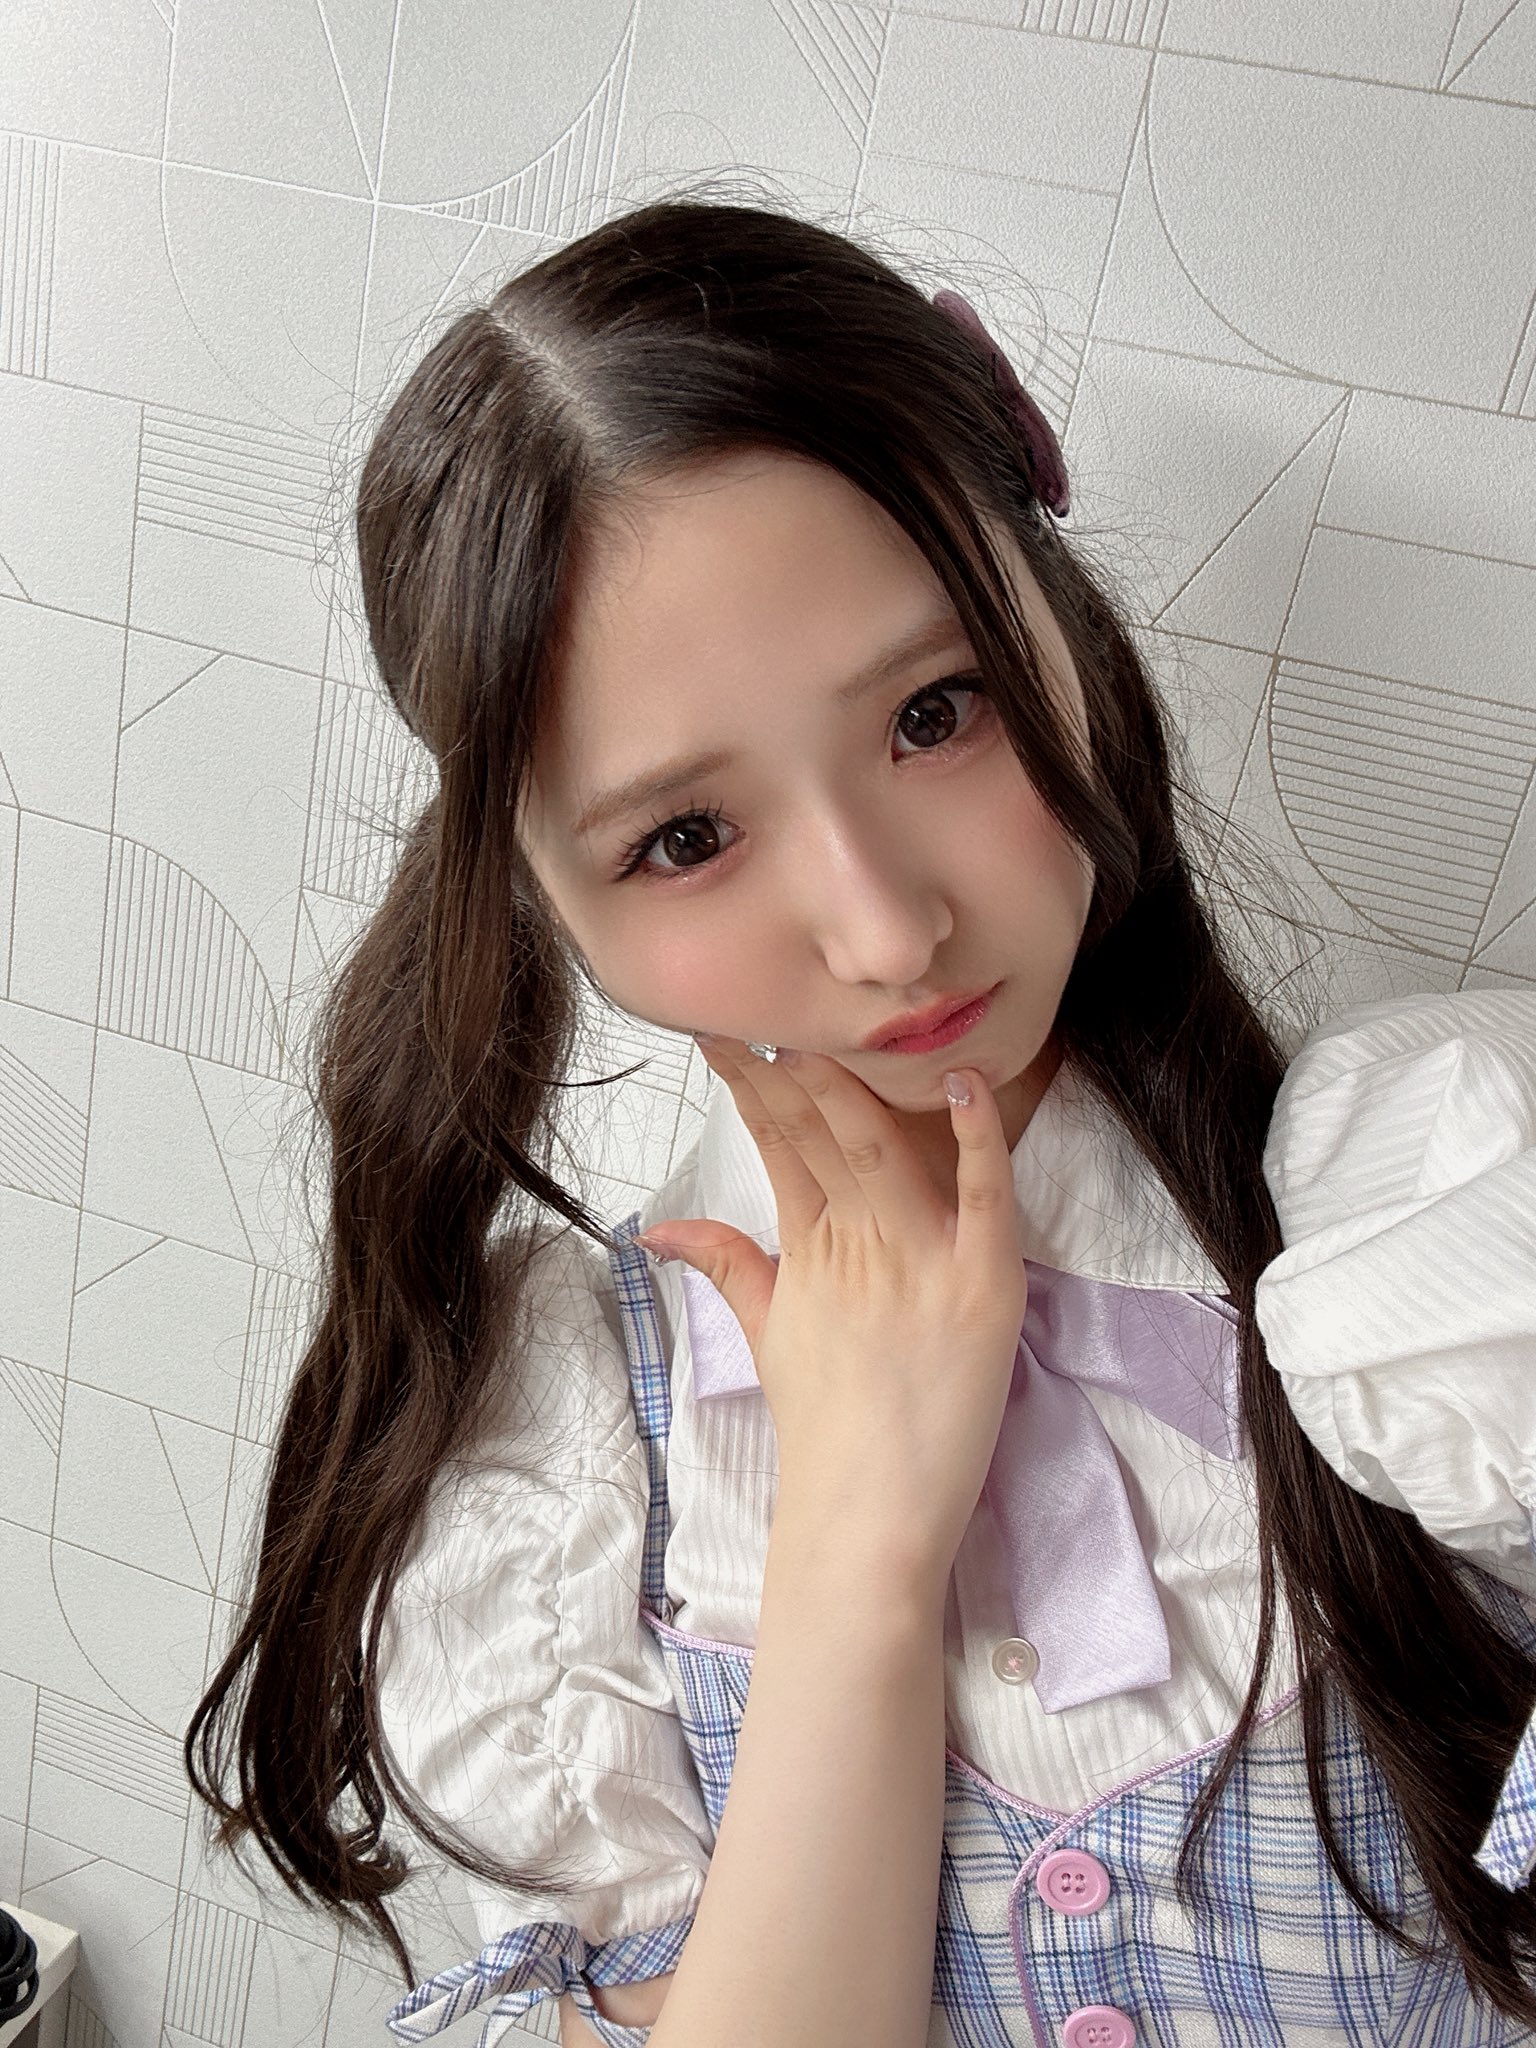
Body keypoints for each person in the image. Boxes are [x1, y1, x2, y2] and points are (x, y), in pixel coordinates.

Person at [182, 194, 1536, 2048]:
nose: (888, 930)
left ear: (1059, 632)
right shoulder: (569, 1454)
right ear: (534, 900)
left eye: (935, 711)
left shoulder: (1439, 1226)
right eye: (686, 836)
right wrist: (859, 1549)